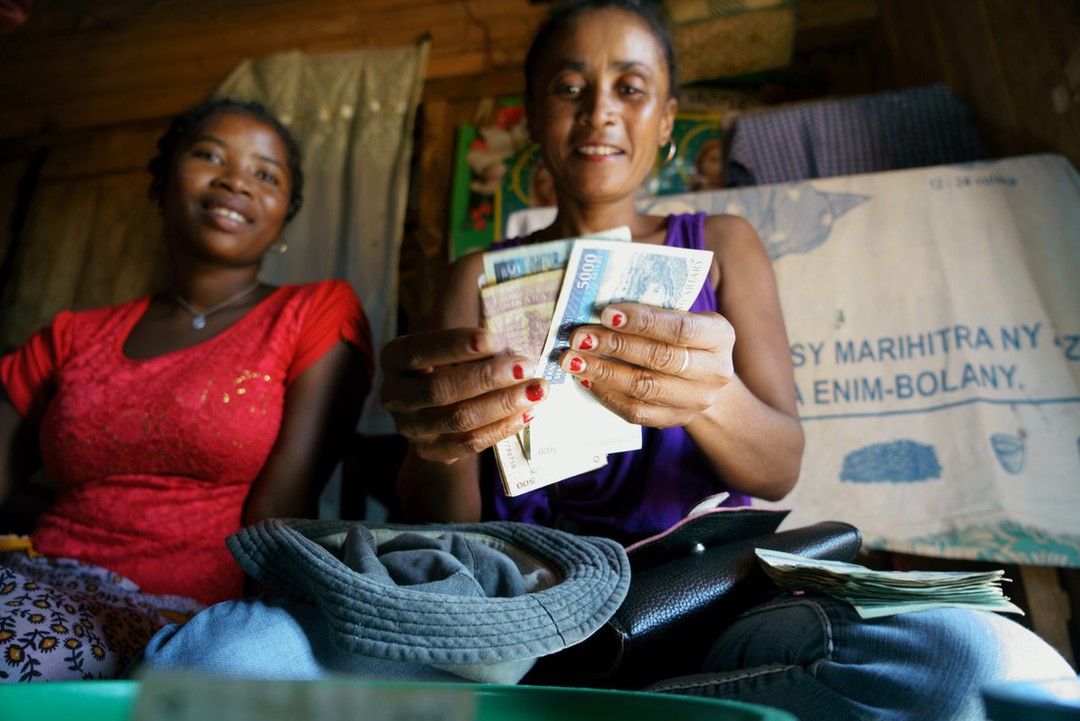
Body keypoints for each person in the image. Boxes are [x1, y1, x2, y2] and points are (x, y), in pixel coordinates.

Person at [378, 1, 1074, 719]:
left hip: (702, 599)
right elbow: (450, 524)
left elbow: (777, 466)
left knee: (970, 661)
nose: (599, 113)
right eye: (569, 86)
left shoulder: (722, 243)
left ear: (668, 118)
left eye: (630, 86)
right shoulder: (478, 277)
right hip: (523, 605)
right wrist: (437, 437)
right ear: (531, 112)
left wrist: (712, 396)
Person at [0, 97, 374, 682]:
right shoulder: (74, 336)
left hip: (188, 616)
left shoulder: (311, 313)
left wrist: (251, 646)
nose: (236, 182)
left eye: (266, 175)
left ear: (283, 219)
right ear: (161, 186)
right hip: (33, 583)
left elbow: (282, 514)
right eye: (209, 156)